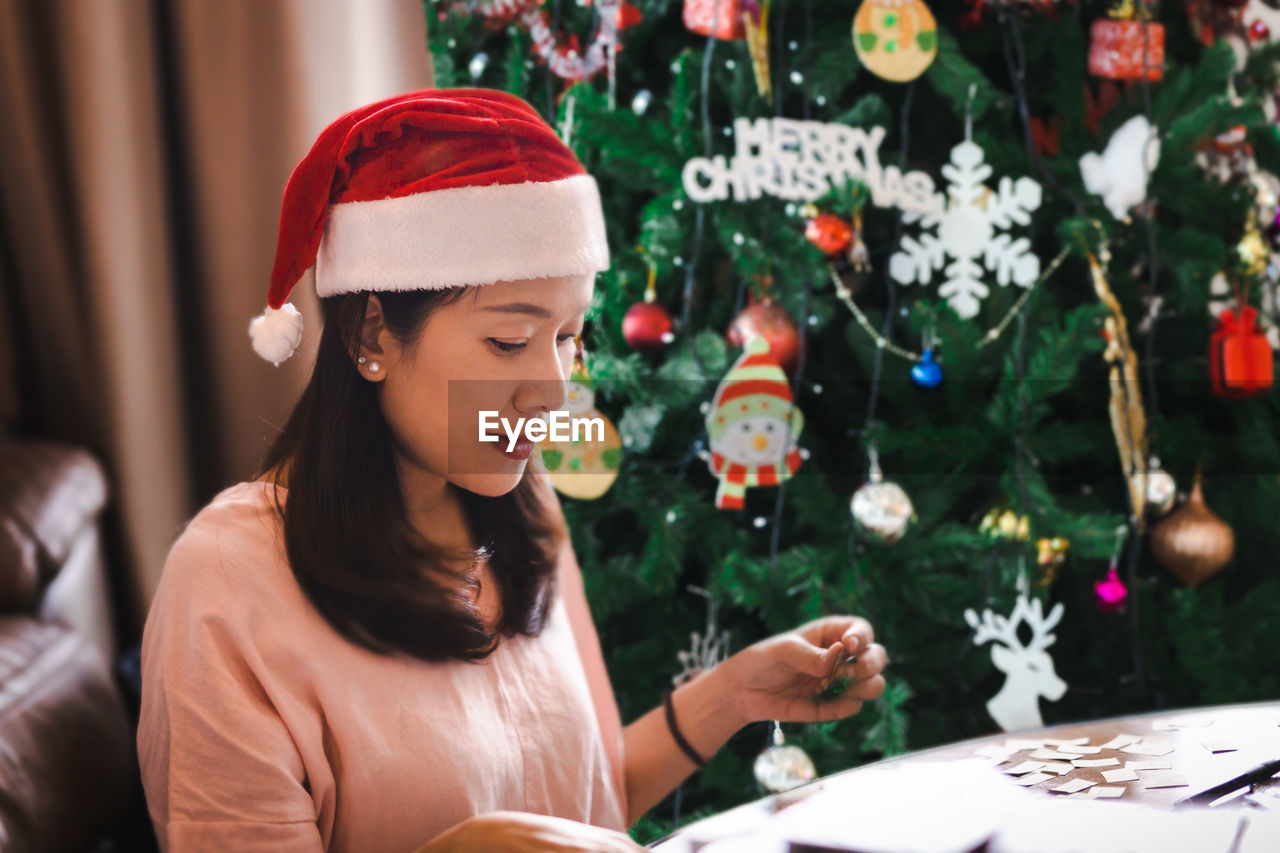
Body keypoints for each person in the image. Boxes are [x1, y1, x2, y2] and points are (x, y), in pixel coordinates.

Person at [136, 88, 888, 853]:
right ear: (372, 333)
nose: (556, 389)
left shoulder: (526, 505)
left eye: (568, 336)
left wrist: (734, 692)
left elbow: (595, 796)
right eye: (507, 342)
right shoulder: (228, 583)